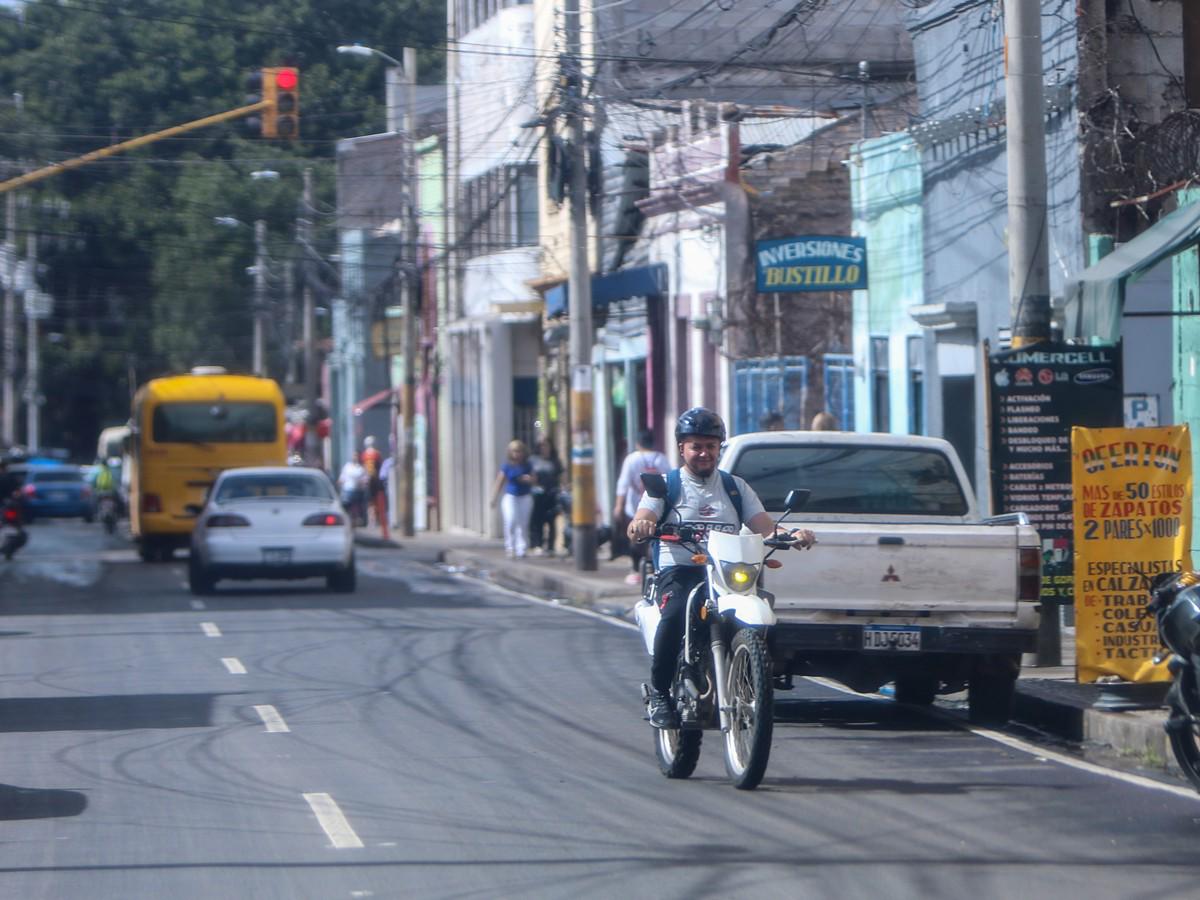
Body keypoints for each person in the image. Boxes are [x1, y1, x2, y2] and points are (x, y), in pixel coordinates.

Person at [627, 407, 815, 729]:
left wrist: (793, 534)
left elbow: (765, 528)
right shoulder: (665, 485)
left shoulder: (735, 488)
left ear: (719, 448)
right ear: (681, 448)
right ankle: (659, 692)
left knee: (764, 610)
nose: (703, 453)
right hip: (681, 569)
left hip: (726, 573)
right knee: (673, 616)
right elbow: (642, 518)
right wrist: (642, 526)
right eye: (696, 446)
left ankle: (748, 675)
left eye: (710, 446)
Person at [613, 429, 670, 585]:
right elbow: (670, 482)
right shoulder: (661, 459)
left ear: (638, 443)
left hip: (635, 507)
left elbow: (623, 484)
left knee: (636, 537)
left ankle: (635, 571)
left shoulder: (632, 459)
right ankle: (655, 568)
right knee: (657, 537)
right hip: (659, 507)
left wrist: (619, 505)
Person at [491, 439, 534, 558]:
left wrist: (528, 479)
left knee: (523, 523)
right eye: (514, 451)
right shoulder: (507, 466)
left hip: (525, 496)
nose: (517, 454)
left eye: (519, 451)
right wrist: (493, 498)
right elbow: (500, 481)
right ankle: (510, 547)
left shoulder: (527, 465)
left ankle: (522, 548)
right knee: (510, 520)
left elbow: (534, 479)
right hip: (511, 497)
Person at [528, 436, 563, 556]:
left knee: (551, 520)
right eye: (541, 445)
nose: (544, 448)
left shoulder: (555, 461)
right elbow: (530, 475)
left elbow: (560, 476)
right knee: (537, 520)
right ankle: (537, 544)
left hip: (552, 494)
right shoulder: (533, 460)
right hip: (537, 495)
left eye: (546, 445)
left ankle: (551, 546)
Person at [337, 454, 368, 526]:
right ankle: (349, 520)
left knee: (358, 507)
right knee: (347, 507)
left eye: (356, 456)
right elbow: (342, 478)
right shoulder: (347, 466)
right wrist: (340, 483)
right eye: (353, 456)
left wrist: (363, 483)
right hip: (347, 490)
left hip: (358, 491)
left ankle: (357, 520)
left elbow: (365, 479)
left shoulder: (361, 468)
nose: (355, 457)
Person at [360, 436, 384, 525]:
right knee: (376, 500)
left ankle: (371, 520)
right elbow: (380, 466)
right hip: (375, 480)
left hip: (367, 480)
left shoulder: (364, 455)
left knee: (369, 501)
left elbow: (363, 467)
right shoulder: (377, 454)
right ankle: (375, 519)